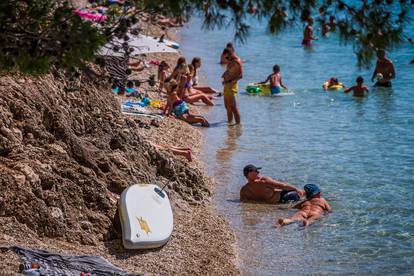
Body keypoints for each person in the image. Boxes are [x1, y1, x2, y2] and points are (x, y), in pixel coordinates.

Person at [240, 165, 304, 204]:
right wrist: (296, 189)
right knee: (303, 191)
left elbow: (243, 202)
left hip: (275, 200)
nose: (258, 172)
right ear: (249, 173)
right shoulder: (264, 181)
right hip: (284, 198)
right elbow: (283, 186)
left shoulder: (244, 190)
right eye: (256, 171)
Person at [222, 50, 243, 125]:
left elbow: (240, 76)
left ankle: (238, 126)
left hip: (231, 86)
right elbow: (230, 71)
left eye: (227, 57)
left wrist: (229, 81)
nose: (227, 59)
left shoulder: (237, 62)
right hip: (227, 85)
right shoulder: (231, 60)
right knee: (227, 107)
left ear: (231, 54)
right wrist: (224, 75)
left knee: (233, 107)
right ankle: (229, 125)